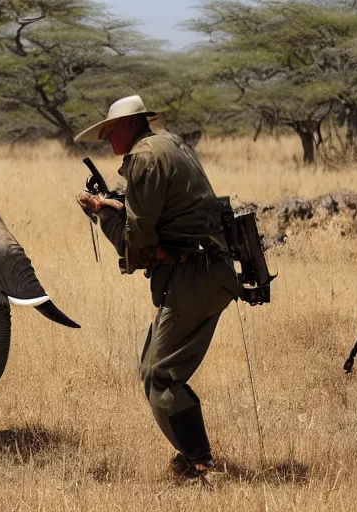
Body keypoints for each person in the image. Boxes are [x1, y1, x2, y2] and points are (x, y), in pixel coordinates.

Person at [74, 95, 240, 481]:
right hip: (205, 271)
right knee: (154, 372)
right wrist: (115, 204)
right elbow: (161, 213)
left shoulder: (144, 157)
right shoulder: (169, 143)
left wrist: (102, 214)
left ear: (129, 125)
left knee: (162, 375)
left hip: (194, 275)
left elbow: (138, 248)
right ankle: (191, 458)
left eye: (110, 131)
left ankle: (201, 466)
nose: (108, 139)